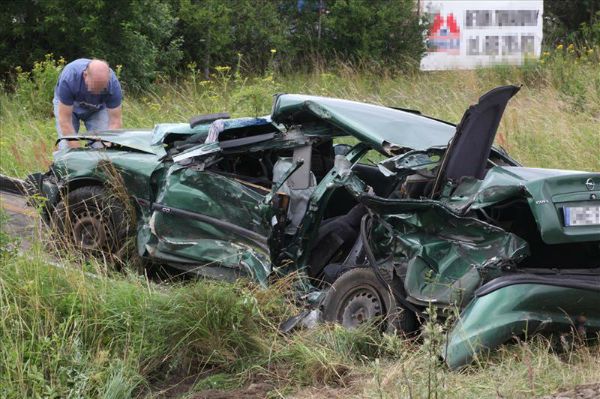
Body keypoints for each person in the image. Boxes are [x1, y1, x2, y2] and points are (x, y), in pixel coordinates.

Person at [53, 58, 123, 149]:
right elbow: (65, 121)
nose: (97, 94)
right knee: (66, 148)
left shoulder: (113, 84)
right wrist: (76, 153)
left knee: (101, 149)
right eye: (94, 88)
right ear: (85, 75)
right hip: (70, 107)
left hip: (98, 109)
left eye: (102, 88)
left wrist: (107, 144)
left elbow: (115, 121)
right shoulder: (69, 78)